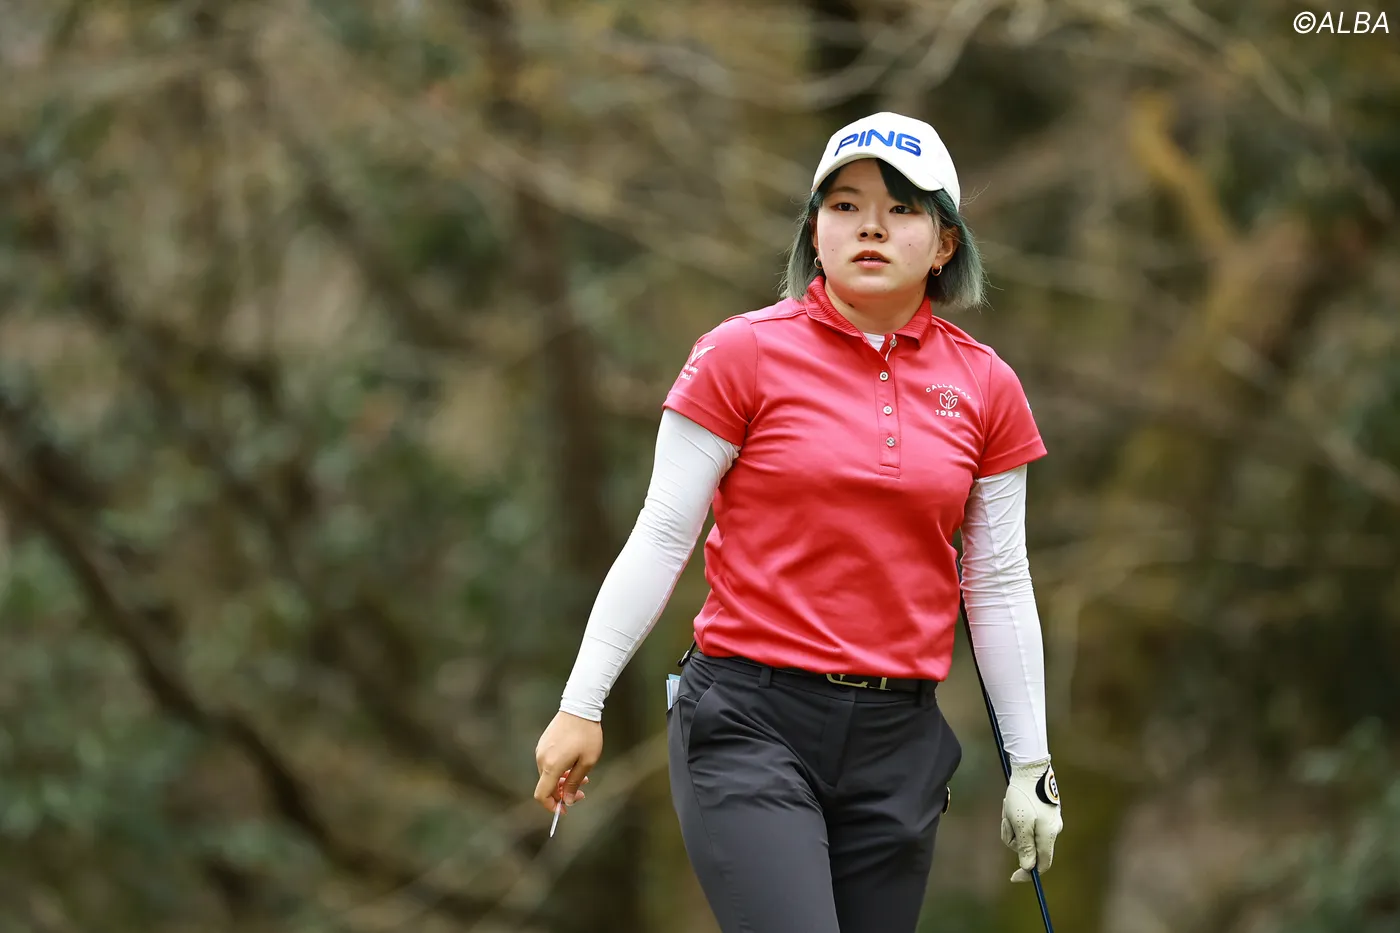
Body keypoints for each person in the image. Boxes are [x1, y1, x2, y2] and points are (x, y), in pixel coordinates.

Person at [532, 111, 1062, 932]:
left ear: (946, 244)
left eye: (903, 209)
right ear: (815, 232)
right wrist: (581, 700)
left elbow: (995, 580)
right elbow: (662, 534)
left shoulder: (986, 386)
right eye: (845, 206)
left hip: (899, 740)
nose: (871, 227)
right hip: (750, 721)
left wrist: (1031, 764)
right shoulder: (740, 354)